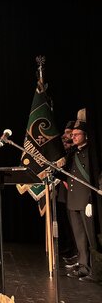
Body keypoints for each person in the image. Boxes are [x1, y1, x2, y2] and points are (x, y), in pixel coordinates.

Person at [63, 120, 98, 282]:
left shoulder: (92, 153)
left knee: (91, 237)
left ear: (86, 135)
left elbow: (96, 177)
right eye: (73, 135)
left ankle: (96, 269)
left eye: (77, 134)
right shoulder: (73, 153)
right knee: (79, 236)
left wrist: (92, 199)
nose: (74, 137)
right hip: (73, 199)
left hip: (86, 199)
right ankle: (84, 266)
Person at [56, 121, 78, 265]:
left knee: (76, 227)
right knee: (69, 225)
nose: (65, 136)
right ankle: (73, 250)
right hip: (66, 193)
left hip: (76, 193)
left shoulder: (75, 152)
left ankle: (78, 253)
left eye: (69, 133)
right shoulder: (67, 151)